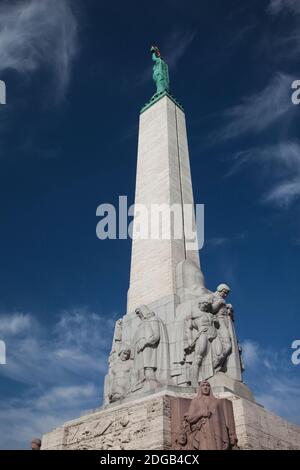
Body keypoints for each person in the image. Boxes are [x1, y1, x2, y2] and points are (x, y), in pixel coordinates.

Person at [184, 381, 233, 450]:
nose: (205, 387)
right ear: (200, 388)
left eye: (207, 385)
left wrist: (225, 439)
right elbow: (189, 418)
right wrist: (201, 413)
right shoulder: (195, 401)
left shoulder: (216, 402)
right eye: (203, 386)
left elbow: (222, 421)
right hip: (202, 431)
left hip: (217, 433)